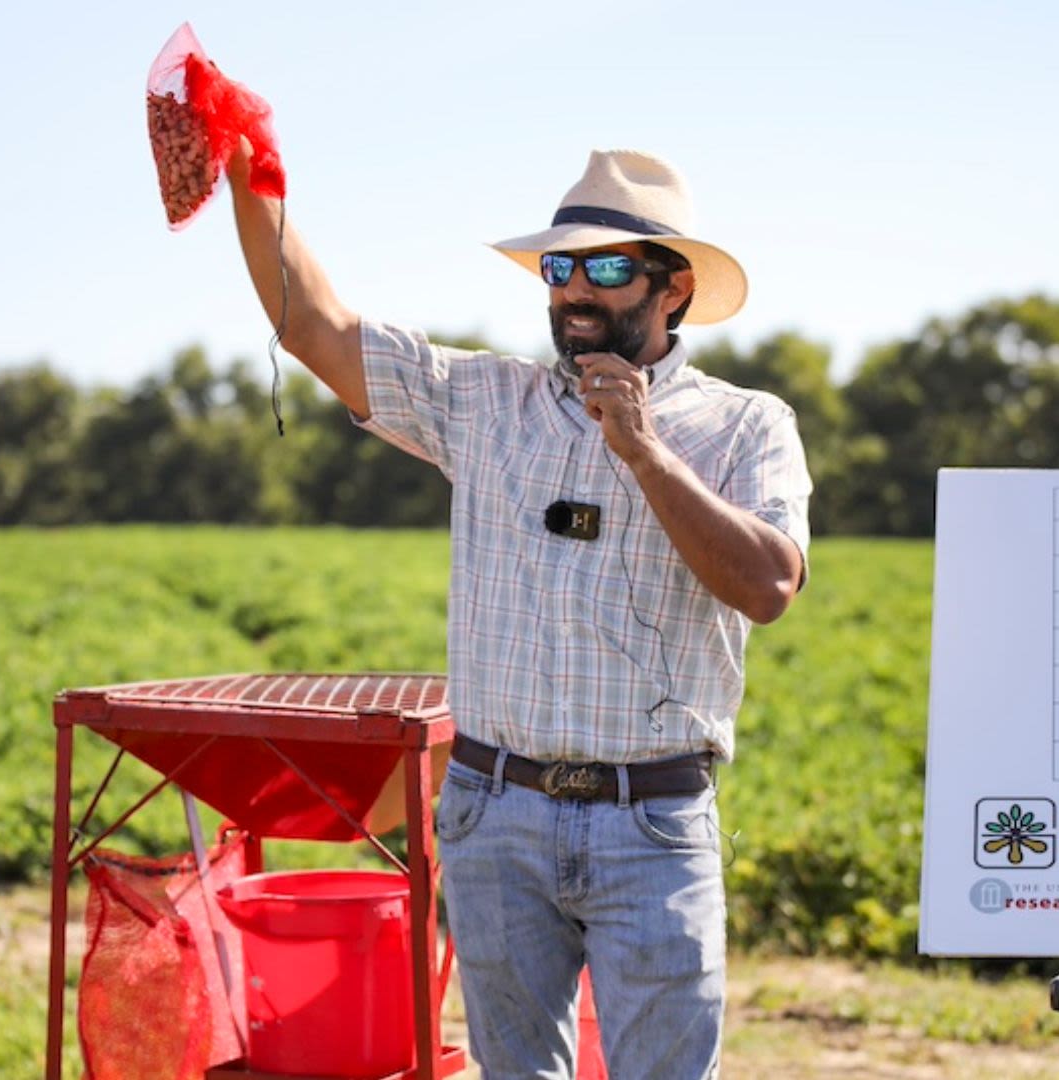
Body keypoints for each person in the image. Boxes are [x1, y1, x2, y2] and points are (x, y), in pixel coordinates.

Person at [228, 144, 810, 1079]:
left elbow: (769, 586)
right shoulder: (484, 401)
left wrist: (647, 454)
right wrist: (248, 175)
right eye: (560, 266)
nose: (576, 289)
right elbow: (316, 329)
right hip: (495, 813)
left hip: (651, 823)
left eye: (608, 267)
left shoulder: (746, 425)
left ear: (674, 289)